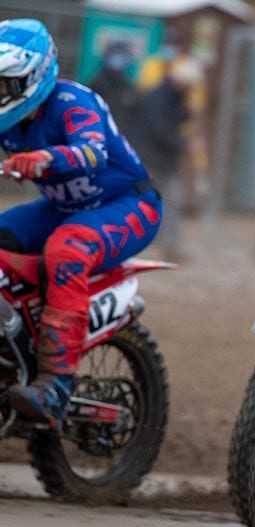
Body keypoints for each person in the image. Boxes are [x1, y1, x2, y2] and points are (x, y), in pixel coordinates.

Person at [0, 18, 162, 428]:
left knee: (66, 249)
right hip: (65, 207)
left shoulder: (73, 101)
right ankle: (17, 342)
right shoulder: (8, 121)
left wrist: (47, 158)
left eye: (3, 84)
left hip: (130, 204)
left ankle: (55, 385)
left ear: (30, 79)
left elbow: (93, 153)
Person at [122, 57, 202, 261]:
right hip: (150, 160)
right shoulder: (158, 97)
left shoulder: (173, 96)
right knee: (144, 203)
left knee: (167, 203)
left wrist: (186, 115)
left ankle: (170, 247)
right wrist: (186, 144)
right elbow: (161, 130)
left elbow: (169, 122)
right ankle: (132, 245)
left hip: (162, 161)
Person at [87, 41, 136, 127]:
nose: (117, 60)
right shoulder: (96, 84)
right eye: (115, 54)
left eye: (121, 55)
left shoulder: (128, 88)